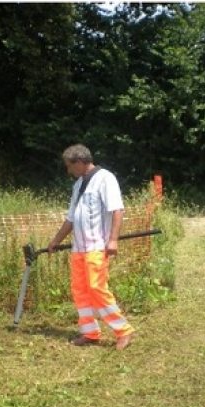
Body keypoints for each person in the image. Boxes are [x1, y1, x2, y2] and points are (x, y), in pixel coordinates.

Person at [48, 144, 136, 350]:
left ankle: (123, 331)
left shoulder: (106, 179)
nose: (68, 170)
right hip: (79, 248)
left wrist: (113, 240)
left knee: (97, 288)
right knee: (80, 290)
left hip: (97, 246)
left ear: (79, 162)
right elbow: (71, 218)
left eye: (69, 166)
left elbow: (117, 210)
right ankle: (89, 332)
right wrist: (56, 241)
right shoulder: (78, 184)